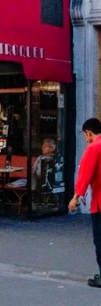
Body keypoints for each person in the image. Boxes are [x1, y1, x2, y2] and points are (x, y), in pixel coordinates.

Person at [68, 118, 101, 288]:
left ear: (88, 132)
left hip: (100, 202)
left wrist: (76, 197)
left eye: (85, 135)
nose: (85, 139)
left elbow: (85, 175)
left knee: (100, 239)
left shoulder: (94, 147)